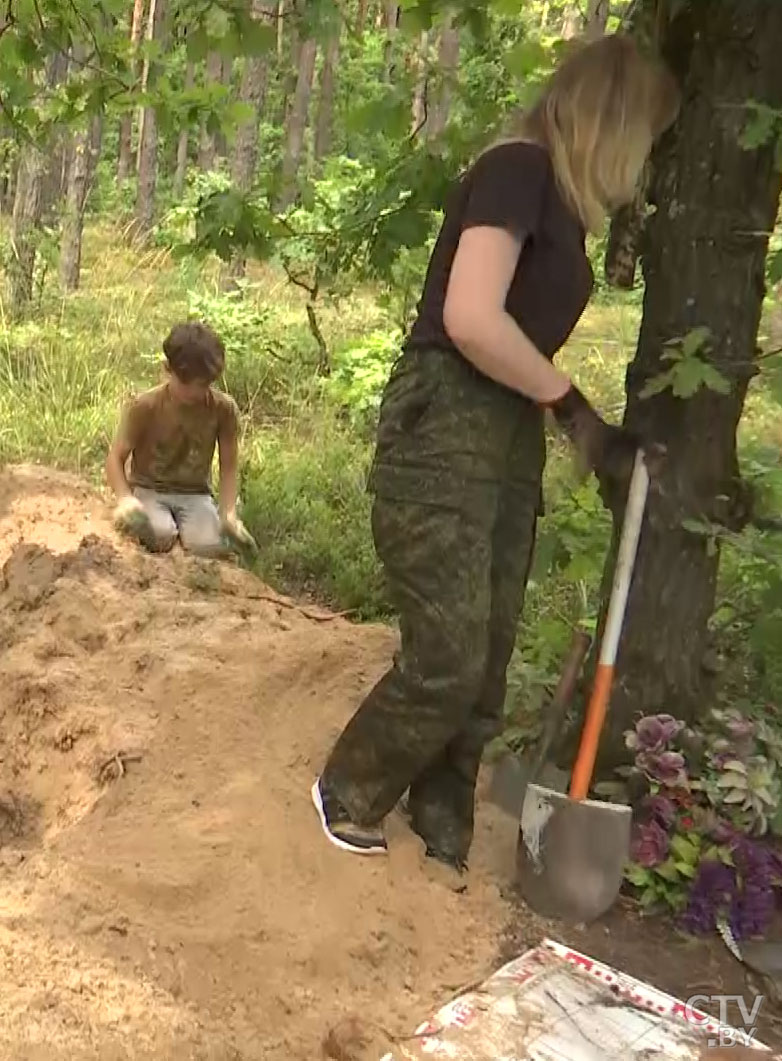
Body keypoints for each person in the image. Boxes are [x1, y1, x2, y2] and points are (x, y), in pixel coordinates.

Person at [312, 34, 679, 875]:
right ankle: (349, 787)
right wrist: (576, 408)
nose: (647, 158)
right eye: (645, 137)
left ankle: (441, 815)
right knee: (446, 651)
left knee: (492, 642)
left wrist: (581, 430)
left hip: (507, 428)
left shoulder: (558, 203)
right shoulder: (516, 169)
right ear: (611, 122)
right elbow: (473, 318)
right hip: (445, 415)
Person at [107, 320, 256, 557]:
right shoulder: (145, 406)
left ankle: (194, 539)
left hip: (195, 494)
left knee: (208, 547)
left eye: (205, 384)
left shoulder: (223, 409)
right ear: (168, 369)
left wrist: (228, 513)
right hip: (150, 489)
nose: (196, 393)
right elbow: (116, 457)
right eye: (188, 385)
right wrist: (125, 498)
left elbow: (229, 466)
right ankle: (164, 537)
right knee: (159, 534)